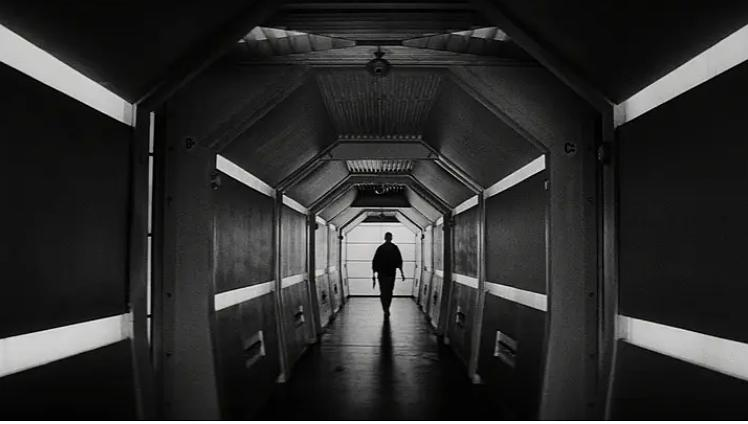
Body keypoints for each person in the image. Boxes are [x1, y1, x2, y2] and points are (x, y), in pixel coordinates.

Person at [372, 231, 405, 317]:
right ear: (391, 238)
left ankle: (385, 308)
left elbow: (375, 261)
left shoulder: (380, 248)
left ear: (385, 238)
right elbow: (399, 261)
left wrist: (374, 274)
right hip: (391, 273)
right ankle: (387, 307)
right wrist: (402, 273)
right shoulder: (394, 248)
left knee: (383, 291)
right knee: (389, 291)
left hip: (382, 274)